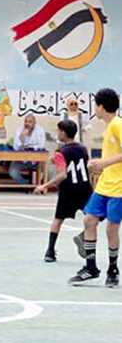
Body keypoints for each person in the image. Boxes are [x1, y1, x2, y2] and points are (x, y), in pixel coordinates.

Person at [68, 88, 121, 288]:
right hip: (105, 184)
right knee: (89, 220)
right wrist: (99, 165)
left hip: (118, 187)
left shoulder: (117, 124)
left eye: (95, 106)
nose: (94, 109)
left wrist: (103, 163)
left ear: (101, 106)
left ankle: (113, 269)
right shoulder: (109, 127)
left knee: (112, 228)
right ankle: (91, 268)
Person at [34, 120, 92, 263]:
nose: (57, 133)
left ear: (64, 133)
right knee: (95, 217)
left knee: (58, 219)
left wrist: (45, 185)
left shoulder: (61, 152)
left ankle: (50, 251)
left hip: (69, 190)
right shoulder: (83, 149)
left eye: (59, 131)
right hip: (84, 188)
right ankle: (84, 238)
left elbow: (62, 175)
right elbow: (84, 166)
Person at [9, 114, 46, 185]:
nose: (27, 124)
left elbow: (41, 145)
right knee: (13, 172)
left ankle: (38, 187)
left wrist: (30, 147)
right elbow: (15, 147)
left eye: (30, 122)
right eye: (26, 121)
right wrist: (22, 137)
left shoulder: (40, 130)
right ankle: (26, 185)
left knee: (44, 171)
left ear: (34, 123)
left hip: (35, 161)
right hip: (21, 160)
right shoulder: (20, 130)